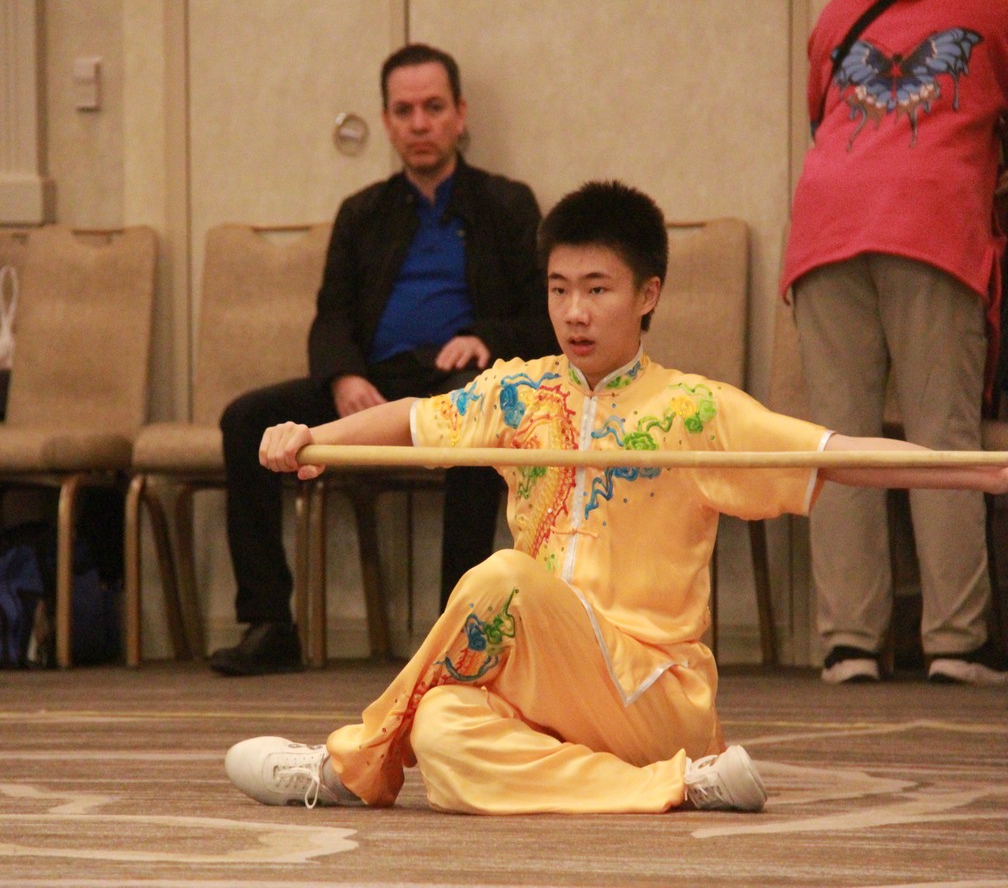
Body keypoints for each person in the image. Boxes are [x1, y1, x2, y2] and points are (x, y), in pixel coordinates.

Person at [222, 180, 1008, 815]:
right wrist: (310, 435)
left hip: (657, 696)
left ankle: (350, 764)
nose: (575, 311)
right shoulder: (520, 391)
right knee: (441, 730)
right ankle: (679, 787)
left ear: (648, 294)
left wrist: (983, 472)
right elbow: (412, 418)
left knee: (504, 578)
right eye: (560, 289)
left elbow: (838, 456)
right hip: (556, 700)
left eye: (597, 289)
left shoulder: (695, 409)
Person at [213, 44, 554, 676]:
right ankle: (269, 623)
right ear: (387, 122)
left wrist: (485, 336)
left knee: (478, 417)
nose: (419, 124)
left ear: (460, 114)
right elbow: (331, 315)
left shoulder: (507, 204)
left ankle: (459, 627)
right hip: (373, 382)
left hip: (462, 380)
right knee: (245, 419)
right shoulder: (362, 212)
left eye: (433, 107)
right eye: (404, 111)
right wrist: (343, 376)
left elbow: (545, 315)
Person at [782, 0, 1008, 685]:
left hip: (824, 228)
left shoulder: (837, 14)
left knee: (838, 446)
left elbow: (820, 116)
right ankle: (956, 644)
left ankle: (849, 646)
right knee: (942, 442)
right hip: (931, 224)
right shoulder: (994, 4)